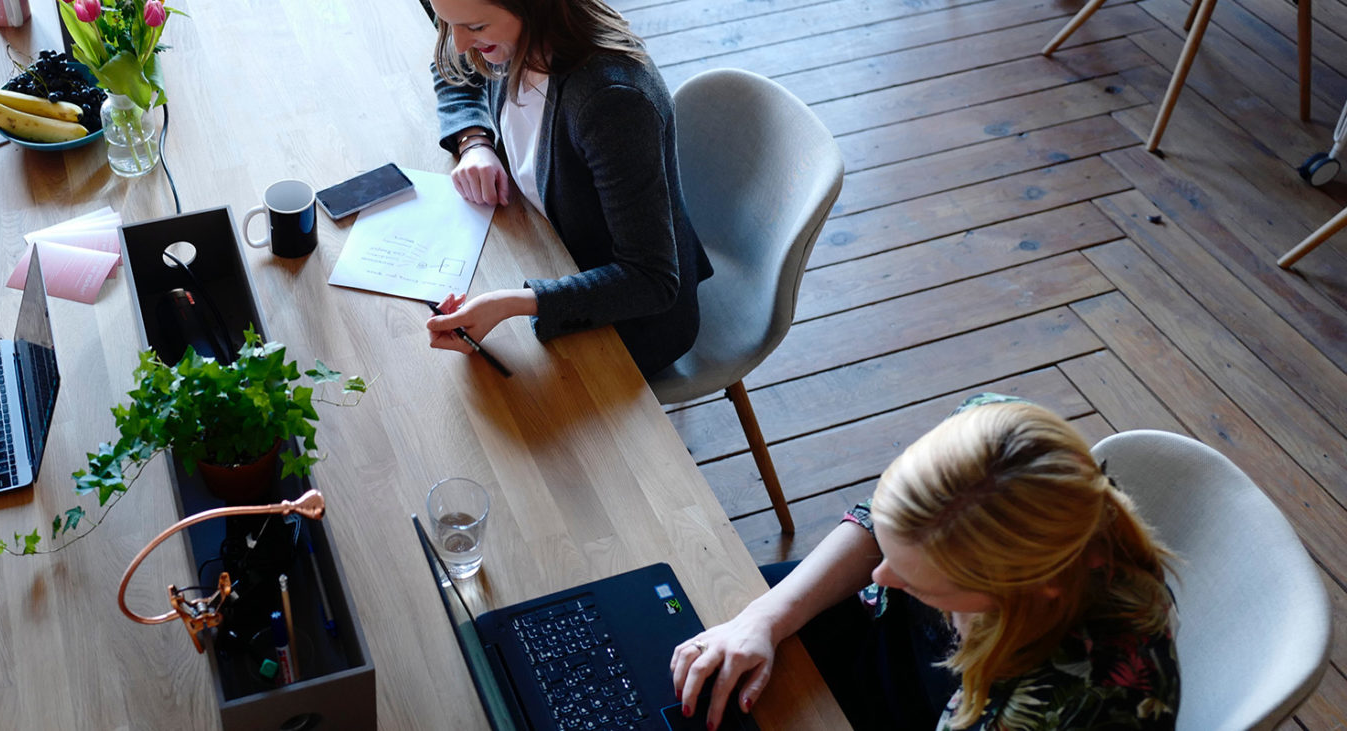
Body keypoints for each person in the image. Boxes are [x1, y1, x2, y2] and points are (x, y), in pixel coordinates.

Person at [670, 395, 1180, 730]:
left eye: (920, 580)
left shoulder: (1066, 708)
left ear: (1017, 590)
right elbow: (878, 524)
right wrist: (765, 618)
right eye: (891, 552)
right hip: (878, 640)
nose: (880, 576)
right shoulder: (991, 430)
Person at [424, 0, 710, 377]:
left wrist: (516, 303)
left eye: (475, 28)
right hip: (545, 248)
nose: (459, 43)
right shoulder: (507, 35)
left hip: (628, 322)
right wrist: (473, 140)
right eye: (449, 24)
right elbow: (454, 67)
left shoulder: (611, 102)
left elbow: (650, 280)